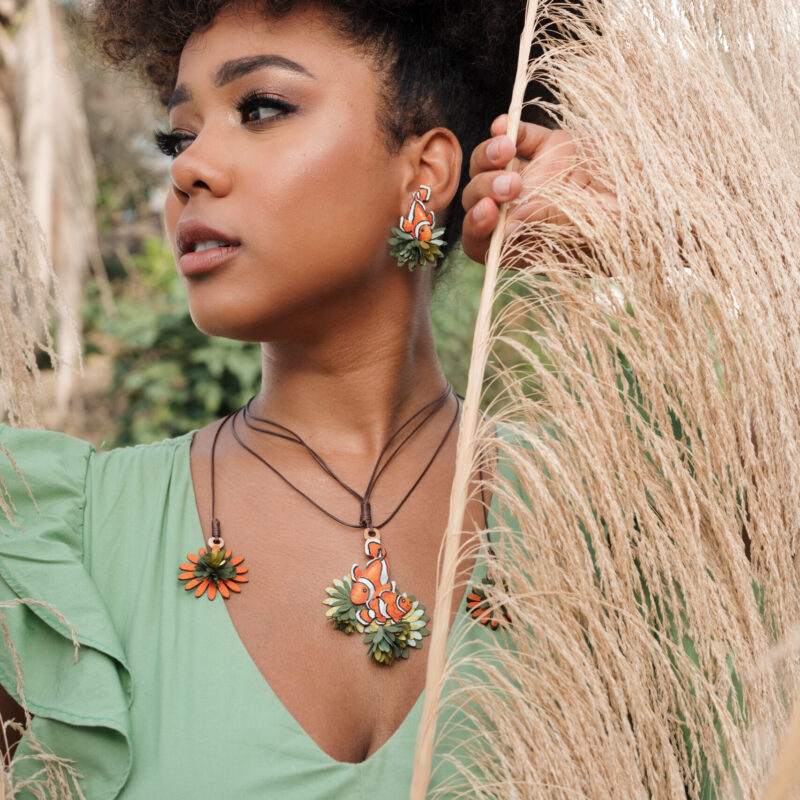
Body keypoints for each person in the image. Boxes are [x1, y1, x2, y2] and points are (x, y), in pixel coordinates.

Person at [0, 1, 613, 796]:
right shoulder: (56, 541)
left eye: (260, 109)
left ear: (425, 172)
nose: (188, 169)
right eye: (178, 137)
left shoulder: (594, 512)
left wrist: (651, 232)